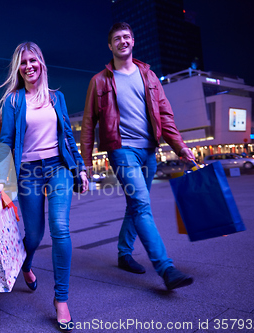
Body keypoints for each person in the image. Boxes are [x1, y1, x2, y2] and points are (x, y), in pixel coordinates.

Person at [81, 22, 196, 291]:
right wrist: (85, 165)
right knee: (142, 205)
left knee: (135, 206)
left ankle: (123, 253)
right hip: (121, 150)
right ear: (110, 46)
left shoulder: (149, 76)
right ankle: (166, 268)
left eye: (126, 37)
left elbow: (165, 115)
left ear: (133, 41)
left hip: (149, 151)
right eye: (116, 39)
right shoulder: (99, 81)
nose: (122, 41)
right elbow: (88, 124)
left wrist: (180, 147)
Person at [0, 42, 89, 331]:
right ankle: (26, 263)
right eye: (23, 63)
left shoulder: (56, 98)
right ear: (18, 69)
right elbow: (6, 141)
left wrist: (80, 168)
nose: (28, 66)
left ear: (42, 63)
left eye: (33, 60)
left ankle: (61, 300)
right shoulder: (13, 101)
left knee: (60, 229)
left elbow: (68, 136)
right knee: (33, 235)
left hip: (58, 168)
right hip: (28, 173)